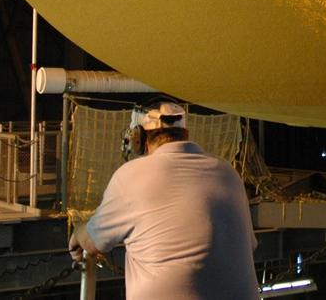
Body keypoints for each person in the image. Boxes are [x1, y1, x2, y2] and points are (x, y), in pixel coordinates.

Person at [68, 101, 259, 299]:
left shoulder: (130, 176)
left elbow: (92, 241)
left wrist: (78, 232)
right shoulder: (228, 173)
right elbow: (250, 245)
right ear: (185, 133)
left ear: (139, 137)